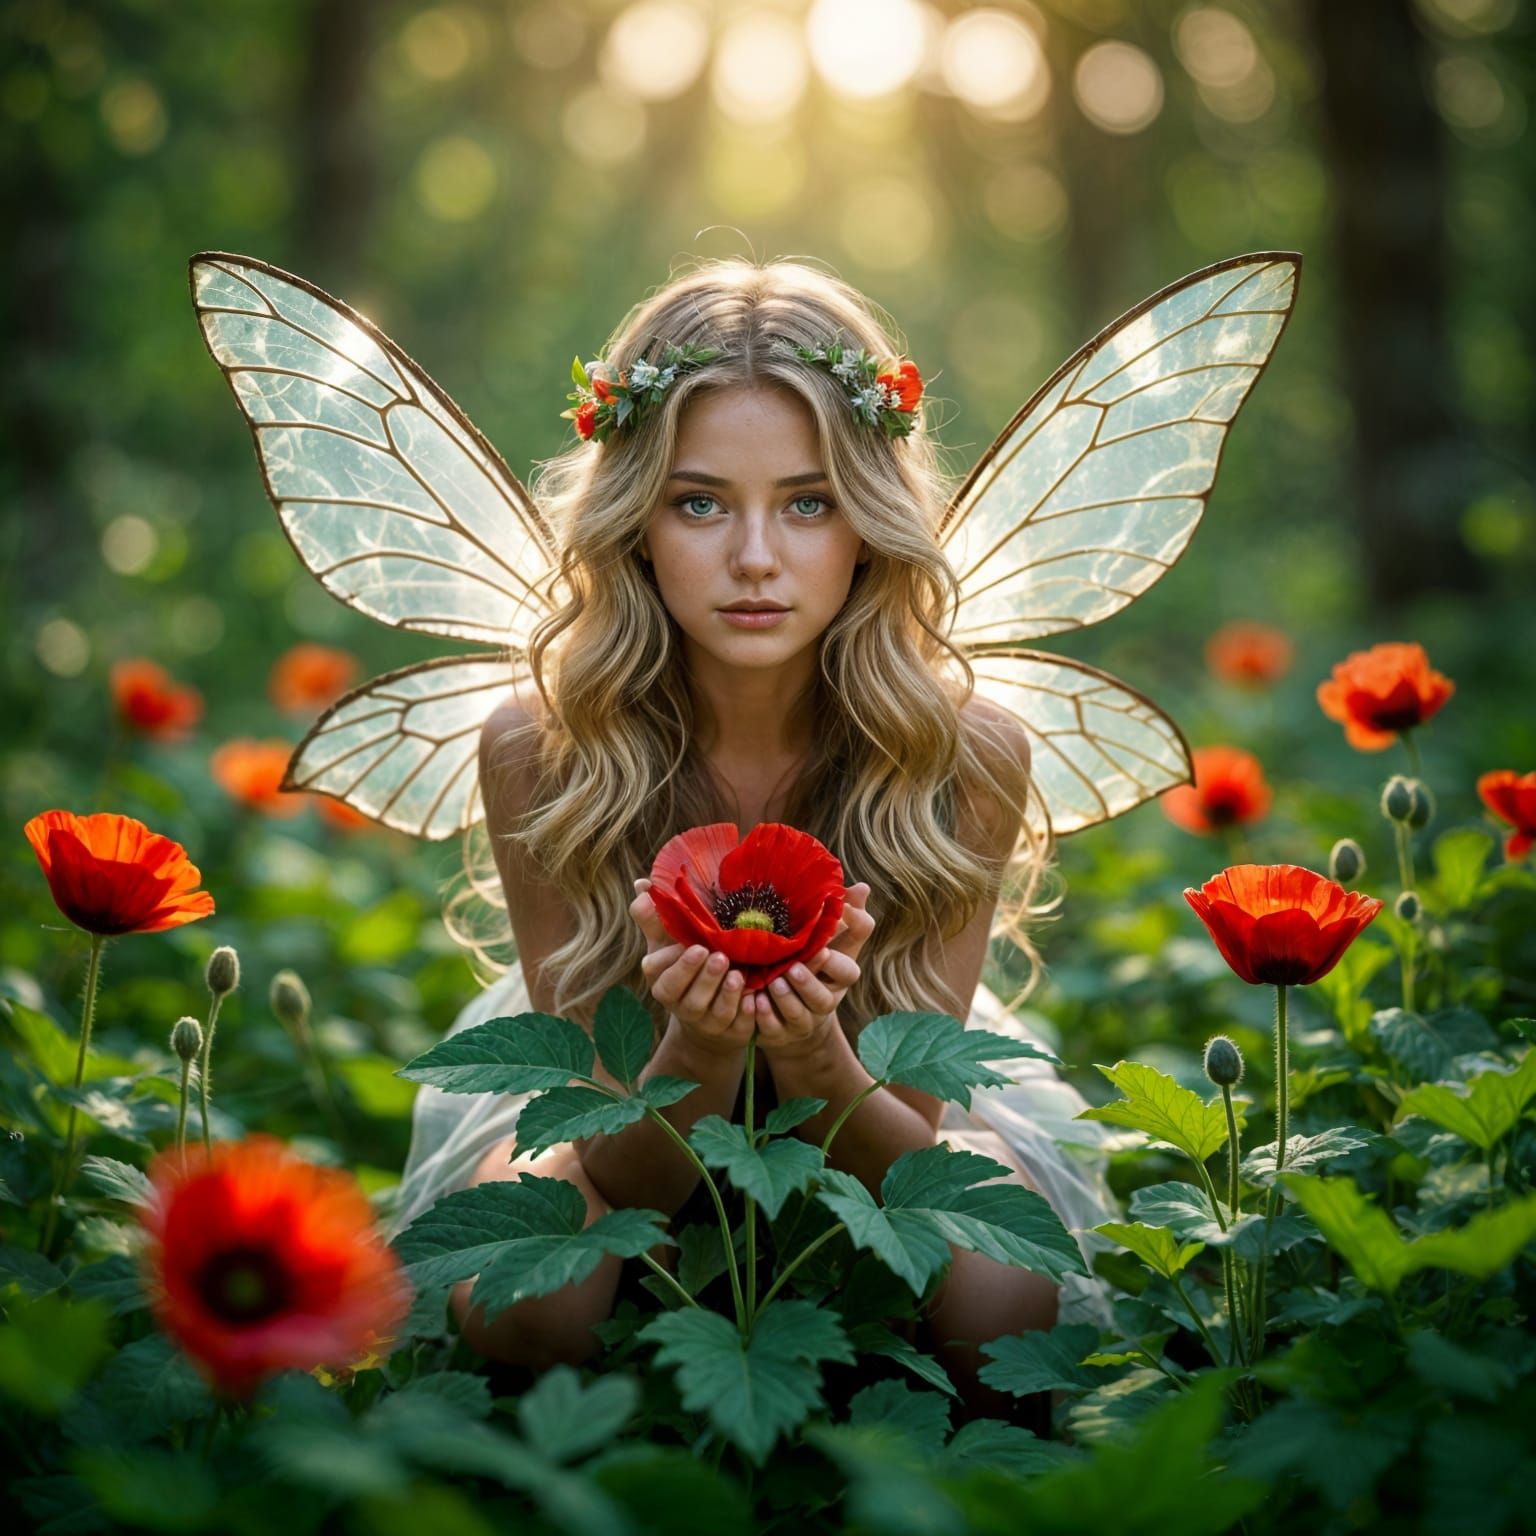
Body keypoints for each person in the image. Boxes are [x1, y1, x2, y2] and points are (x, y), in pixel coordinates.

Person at [393, 257, 1118, 1412]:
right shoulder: (546, 747)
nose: (755, 558)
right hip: (625, 1103)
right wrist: (697, 1051)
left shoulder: (965, 752)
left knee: (996, 1301)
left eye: (808, 500)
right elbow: (600, 1136)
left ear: (871, 525)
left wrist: (815, 1055)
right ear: (633, 523)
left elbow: (903, 1147)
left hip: (865, 1104)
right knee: (525, 1297)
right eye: (698, 502)